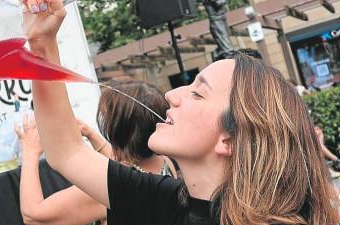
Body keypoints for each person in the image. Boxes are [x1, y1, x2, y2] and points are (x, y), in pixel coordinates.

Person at [24, 1, 340, 224]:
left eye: (197, 92)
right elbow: (65, 151)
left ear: (228, 140)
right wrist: (43, 43)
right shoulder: (166, 201)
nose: (171, 95)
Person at [17, 80, 177, 225]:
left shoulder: (109, 191)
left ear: (118, 132)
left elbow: (34, 216)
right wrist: (91, 134)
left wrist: (30, 151)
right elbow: (124, 168)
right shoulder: (163, 161)